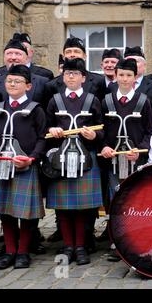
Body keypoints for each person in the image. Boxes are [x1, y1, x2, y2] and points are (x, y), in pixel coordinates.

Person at [46, 58, 104, 265]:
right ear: (63, 77)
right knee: (63, 207)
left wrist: (94, 136)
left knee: (81, 207)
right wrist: (52, 131)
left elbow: (102, 129)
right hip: (61, 159)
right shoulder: (55, 100)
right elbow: (46, 127)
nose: (71, 76)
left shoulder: (92, 100)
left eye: (75, 73)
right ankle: (67, 246)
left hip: (85, 159)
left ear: (83, 77)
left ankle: (80, 247)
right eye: (67, 73)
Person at [0, 65, 46, 269]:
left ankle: (23, 252)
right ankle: (9, 251)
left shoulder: (35, 109)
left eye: (17, 81)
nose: (12, 84)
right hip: (0, 165)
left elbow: (42, 138)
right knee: (6, 211)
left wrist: (32, 158)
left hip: (25, 165)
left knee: (24, 212)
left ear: (28, 86)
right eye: (9, 81)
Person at [100, 58, 152, 261]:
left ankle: (137, 241)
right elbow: (101, 130)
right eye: (121, 75)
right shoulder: (106, 101)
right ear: (115, 76)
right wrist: (103, 146)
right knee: (115, 200)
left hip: (135, 160)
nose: (124, 79)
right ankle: (118, 244)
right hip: (113, 161)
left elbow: (150, 131)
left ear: (135, 77)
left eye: (129, 75)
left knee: (136, 200)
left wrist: (140, 151)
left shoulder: (143, 101)